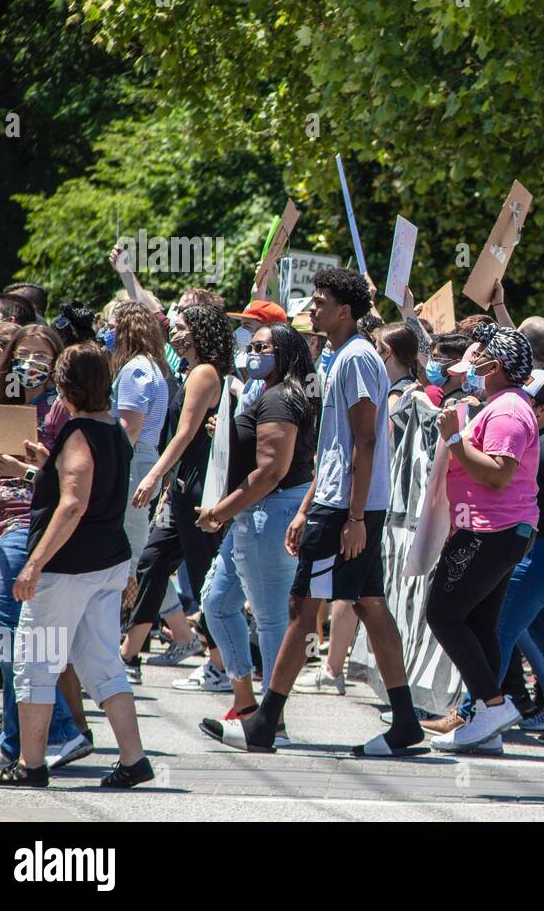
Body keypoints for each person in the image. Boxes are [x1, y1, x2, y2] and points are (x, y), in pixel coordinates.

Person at [202, 266, 423, 757]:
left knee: (303, 609)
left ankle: (265, 723)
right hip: (334, 501)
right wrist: (307, 507)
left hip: (347, 507)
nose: (312, 307)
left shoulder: (358, 358)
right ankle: (405, 722)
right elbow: (334, 447)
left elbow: (366, 439)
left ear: (345, 310)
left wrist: (355, 517)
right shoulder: (340, 356)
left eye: (320, 301)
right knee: (368, 603)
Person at [0, 343, 153, 788]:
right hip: (106, 562)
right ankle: (134, 760)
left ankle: (31, 765)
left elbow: (73, 504)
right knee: (101, 663)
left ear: (66, 387)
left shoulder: (77, 432)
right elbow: (82, 486)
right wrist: (37, 467)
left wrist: (33, 564)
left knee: (35, 662)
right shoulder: (111, 427)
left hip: (68, 569)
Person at [0, 324, 91, 772]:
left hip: (30, 525)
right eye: (23, 354)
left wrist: (28, 464)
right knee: (13, 633)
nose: (30, 363)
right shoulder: (3, 405)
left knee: (0, 626)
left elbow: (61, 477)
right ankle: (16, 740)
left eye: (42, 355)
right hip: (3, 524)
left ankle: (59, 730)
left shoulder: (59, 409)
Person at [425, 323, 541, 752]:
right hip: (492, 529)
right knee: (478, 623)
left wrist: (453, 439)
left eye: (475, 359)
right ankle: (485, 716)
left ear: (495, 365)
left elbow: (497, 473)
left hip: (491, 530)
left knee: (443, 614)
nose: (468, 368)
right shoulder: (503, 404)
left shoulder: (509, 410)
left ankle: (492, 704)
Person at [195, 324, 318, 730]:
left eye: (261, 347)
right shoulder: (268, 393)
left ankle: (270, 719)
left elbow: (270, 472)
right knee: (215, 601)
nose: (252, 353)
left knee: (269, 618)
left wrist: (220, 512)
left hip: (270, 511)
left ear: (282, 352)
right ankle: (247, 705)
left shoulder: (281, 398)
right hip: (256, 513)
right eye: (251, 346)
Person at [120, 303, 233, 678]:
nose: (173, 331)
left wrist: (153, 477)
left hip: (198, 487)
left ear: (200, 331)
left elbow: (184, 434)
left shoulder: (204, 373)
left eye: (183, 326)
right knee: (152, 562)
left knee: (203, 577)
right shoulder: (192, 371)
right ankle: (127, 655)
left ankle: (220, 664)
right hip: (181, 485)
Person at [106, 301, 172, 603]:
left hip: (133, 461)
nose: (108, 334)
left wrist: (108, 465)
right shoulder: (152, 367)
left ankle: (124, 618)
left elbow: (129, 427)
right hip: (144, 459)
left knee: (130, 550)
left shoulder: (135, 370)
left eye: (112, 328)